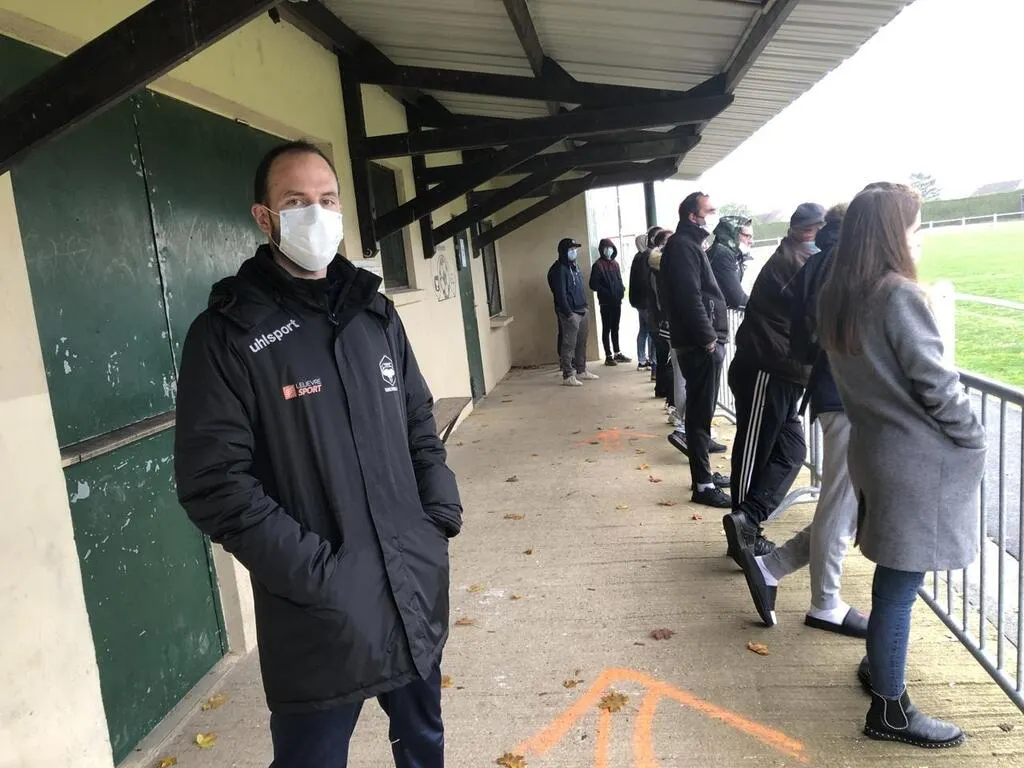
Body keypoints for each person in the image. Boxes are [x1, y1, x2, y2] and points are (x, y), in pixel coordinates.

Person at [173, 140, 462, 767]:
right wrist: (321, 576)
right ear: (265, 218)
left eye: (327, 200)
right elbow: (213, 481)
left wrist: (436, 518)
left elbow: (417, 420)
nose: (317, 213)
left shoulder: (375, 314)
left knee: (424, 746)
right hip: (319, 614)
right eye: (296, 201)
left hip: (411, 588)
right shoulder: (227, 335)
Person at [818, 182, 984, 748]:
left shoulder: (838, 295)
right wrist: (973, 437)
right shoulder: (897, 295)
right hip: (915, 461)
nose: (919, 237)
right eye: (914, 227)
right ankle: (889, 709)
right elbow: (938, 385)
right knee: (899, 585)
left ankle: (879, 667)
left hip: (874, 451)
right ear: (892, 233)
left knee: (892, 576)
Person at [736, 203, 869, 638]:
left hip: (812, 383)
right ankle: (747, 525)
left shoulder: (818, 261)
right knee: (840, 502)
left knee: (841, 500)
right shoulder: (829, 266)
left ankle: (769, 562)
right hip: (812, 384)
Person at [722, 203, 825, 561]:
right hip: (765, 371)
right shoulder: (798, 262)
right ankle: (742, 538)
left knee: (792, 451)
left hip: (783, 373)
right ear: (804, 230)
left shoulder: (802, 258)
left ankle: (748, 518)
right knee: (754, 452)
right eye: (816, 229)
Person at [659, 192, 731, 508]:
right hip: (698, 345)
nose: (713, 215)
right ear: (693, 216)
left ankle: (705, 476)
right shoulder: (683, 247)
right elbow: (689, 297)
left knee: (702, 415)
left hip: (698, 343)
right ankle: (703, 485)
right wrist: (708, 338)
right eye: (709, 211)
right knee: (699, 418)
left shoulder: (688, 245)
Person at [549, 237, 599, 387]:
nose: (574, 252)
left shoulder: (575, 266)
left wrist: (586, 307)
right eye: (571, 250)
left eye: (575, 249)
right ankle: (568, 375)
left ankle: (581, 370)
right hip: (570, 313)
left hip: (582, 309)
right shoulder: (559, 269)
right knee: (569, 344)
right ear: (563, 251)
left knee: (581, 342)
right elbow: (560, 294)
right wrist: (568, 313)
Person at [590, 237, 631, 366]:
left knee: (615, 328)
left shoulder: (615, 264)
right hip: (605, 303)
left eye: (610, 248)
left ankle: (617, 353)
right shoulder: (597, 265)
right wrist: (606, 292)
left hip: (616, 301)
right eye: (606, 248)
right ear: (601, 250)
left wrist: (621, 290)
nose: (608, 250)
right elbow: (593, 284)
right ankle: (608, 356)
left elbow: (619, 280)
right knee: (606, 328)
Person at [645, 229, 675, 405]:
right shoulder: (658, 268)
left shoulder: (656, 265)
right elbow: (658, 298)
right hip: (662, 320)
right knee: (667, 359)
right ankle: (670, 399)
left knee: (663, 357)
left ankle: (662, 390)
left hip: (659, 319)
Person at [629, 226, 662, 371]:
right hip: (646, 302)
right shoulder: (648, 256)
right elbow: (646, 281)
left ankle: (643, 360)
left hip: (640, 301)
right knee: (651, 331)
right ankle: (651, 362)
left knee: (644, 330)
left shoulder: (639, 256)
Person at [707, 216, 754, 309]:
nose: (751, 241)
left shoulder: (723, 251)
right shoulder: (723, 254)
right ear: (733, 233)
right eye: (747, 236)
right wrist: (763, 304)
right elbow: (737, 299)